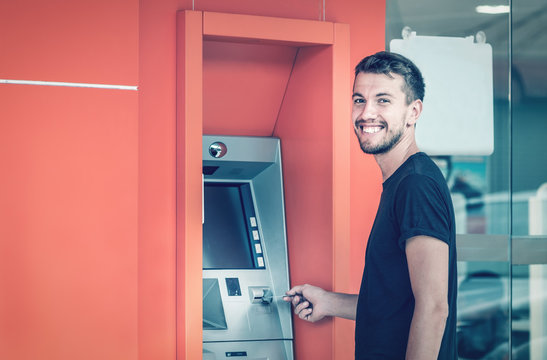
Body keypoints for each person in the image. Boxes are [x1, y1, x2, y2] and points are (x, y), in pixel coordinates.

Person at [285, 51, 458, 359]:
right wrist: (329, 302)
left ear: (413, 111)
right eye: (359, 100)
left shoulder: (416, 185)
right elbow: (395, 302)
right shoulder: (402, 182)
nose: (367, 113)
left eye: (383, 100)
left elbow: (433, 306)